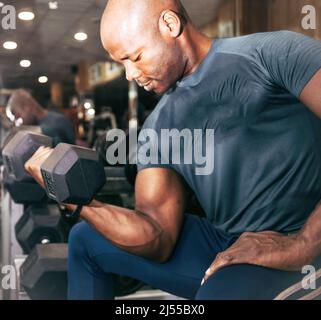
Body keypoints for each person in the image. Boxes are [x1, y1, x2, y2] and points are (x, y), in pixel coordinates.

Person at [25, 0, 321, 300]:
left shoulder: (271, 54)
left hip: (304, 239)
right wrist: (79, 202)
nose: (129, 74)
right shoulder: (158, 126)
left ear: (170, 25)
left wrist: (303, 243)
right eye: (121, 63)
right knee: (85, 240)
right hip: (228, 242)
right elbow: (157, 236)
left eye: (135, 56)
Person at [8, 89, 75, 144]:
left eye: (19, 116)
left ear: (28, 106)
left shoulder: (59, 121)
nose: (20, 121)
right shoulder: (35, 125)